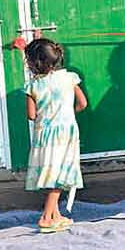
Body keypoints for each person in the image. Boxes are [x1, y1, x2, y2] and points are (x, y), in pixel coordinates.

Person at [24, 38, 87, 232]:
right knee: (60, 175)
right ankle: (45, 218)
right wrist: (67, 114)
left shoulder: (32, 87)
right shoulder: (69, 78)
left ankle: (55, 215)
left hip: (44, 135)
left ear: (36, 63)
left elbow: (31, 115)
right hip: (66, 132)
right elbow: (82, 103)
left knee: (52, 172)